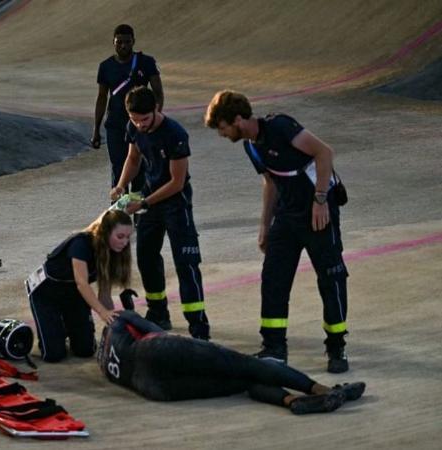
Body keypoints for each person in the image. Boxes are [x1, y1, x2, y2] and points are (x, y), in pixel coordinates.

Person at [204, 90, 350, 373]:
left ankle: (336, 347)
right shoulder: (250, 145)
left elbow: (324, 152)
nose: (221, 134)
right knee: (273, 278)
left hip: (317, 210)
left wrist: (320, 201)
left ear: (237, 119)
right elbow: (270, 183)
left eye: (222, 128)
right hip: (287, 214)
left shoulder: (281, 126)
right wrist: (265, 226)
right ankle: (274, 348)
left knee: (331, 278)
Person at [98, 311, 366, 415]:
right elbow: (156, 329)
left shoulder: (103, 361)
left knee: (242, 382)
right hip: (156, 350)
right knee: (247, 365)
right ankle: (323, 390)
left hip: (153, 388)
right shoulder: (118, 320)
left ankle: (292, 402)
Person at [110, 86, 210, 339]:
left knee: (186, 264)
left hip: (176, 204)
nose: (140, 125)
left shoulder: (175, 134)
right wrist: (121, 184)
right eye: (134, 119)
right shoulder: (134, 127)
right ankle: (158, 312)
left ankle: (198, 326)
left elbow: (177, 182)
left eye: (144, 119)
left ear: (156, 109)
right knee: (146, 257)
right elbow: (133, 159)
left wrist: (144, 204)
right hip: (149, 200)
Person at [26, 209, 133, 362]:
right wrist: (102, 312)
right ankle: (57, 326)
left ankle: (68, 325)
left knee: (86, 349)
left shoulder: (114, 251)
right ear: (105, 233)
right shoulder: (81, 243)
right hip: (46, 293)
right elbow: (82, 283)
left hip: (73, 295)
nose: (125, 242)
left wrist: (113, 321)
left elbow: (104, 294)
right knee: (53, 355)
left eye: (128, 237)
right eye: (120, 236)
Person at [91, 24, 164, 194]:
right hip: (115, 125)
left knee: (140, 169)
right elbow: (102, 98)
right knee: (118, 168)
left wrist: (155, 118)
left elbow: (158, 93)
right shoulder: (105, 67)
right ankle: (118, 212)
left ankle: (140, 213)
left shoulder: (146, 63)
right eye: (119, 42)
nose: (123, 46)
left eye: (127, 42)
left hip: (140, 125)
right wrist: (96, 129)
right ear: (113, 42)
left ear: (133, 42)